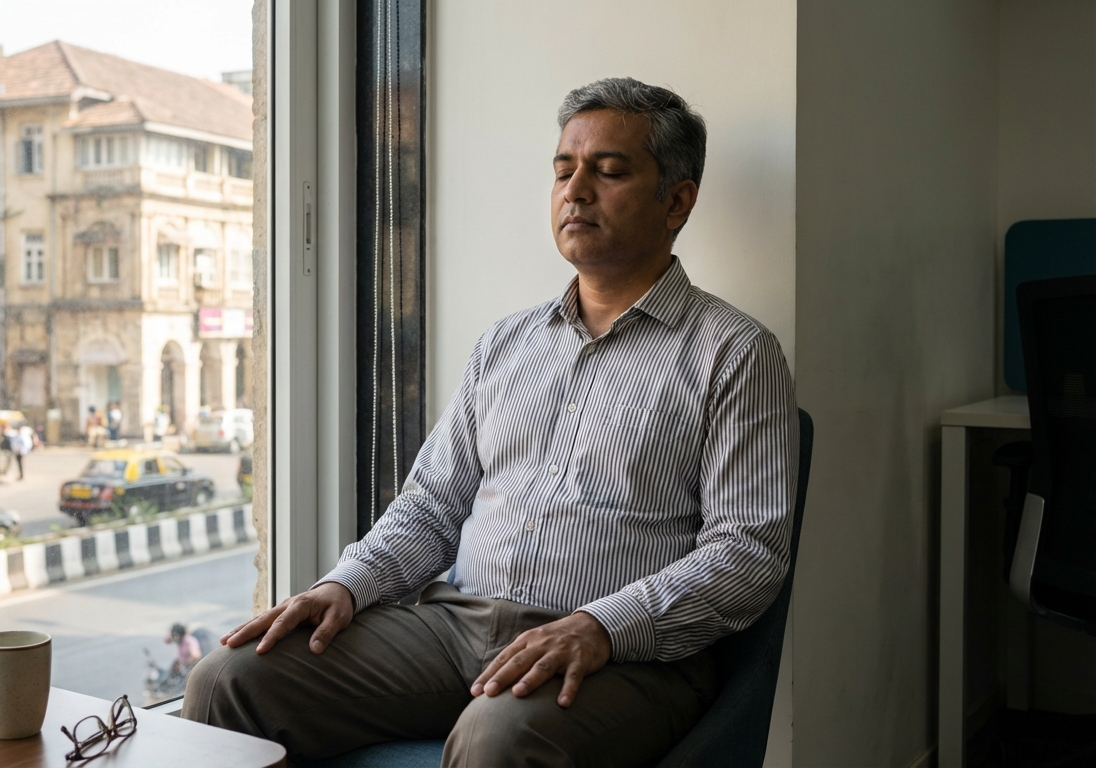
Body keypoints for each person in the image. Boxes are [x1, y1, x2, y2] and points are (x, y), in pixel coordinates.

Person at [183, 78, 797, 767]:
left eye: (610, 171)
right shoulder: (507, 344)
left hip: (622, 657)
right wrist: (343, 585)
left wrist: (602, 625)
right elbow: (432, 506)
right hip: (453, 630)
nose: (576, 190)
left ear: (677, 200)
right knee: (229, 680)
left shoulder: (736, 353)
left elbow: (748, 552)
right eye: (564, 170)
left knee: (498, 737)